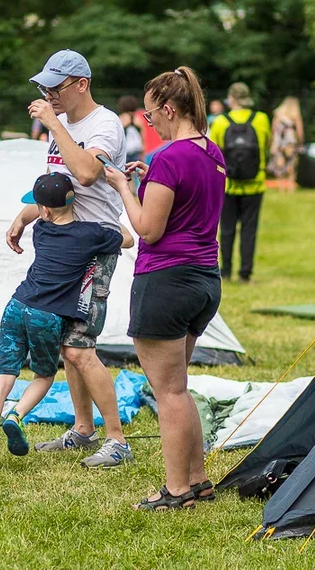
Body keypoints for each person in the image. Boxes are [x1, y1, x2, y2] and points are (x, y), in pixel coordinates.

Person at [104, 66, 224, 511]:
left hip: (166, 281)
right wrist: (143, 182)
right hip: (204, 280)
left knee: (168, 392)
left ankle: (176, 492)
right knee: (180, 386)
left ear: (170, 109)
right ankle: (199, 480)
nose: (147, 121)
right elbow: (185, 209)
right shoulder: (212, 152)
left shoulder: (169, 158)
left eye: (152, 113)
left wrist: (121, 186)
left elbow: (148, 230)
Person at [13, 48, 134, 468]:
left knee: (81, 347)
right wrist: (27, 214)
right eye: (44, 87)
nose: (49, 94)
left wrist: (51, 123)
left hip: (93, 249)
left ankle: (117, 440)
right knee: (68, 347)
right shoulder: (59, 124)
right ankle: (83, 430)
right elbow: (59, 187)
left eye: (55, 87)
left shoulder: (104, 125)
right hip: (62, 245)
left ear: (82, 84)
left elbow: (85, 173)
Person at [0, 173, 131, 474]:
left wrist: (24, 218)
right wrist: (107, 220)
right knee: (43, 376)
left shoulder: (41, 230)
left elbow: (43, 214)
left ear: (43, 210)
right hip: (47, 316)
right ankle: (16, 415)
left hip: (16, 306)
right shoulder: (91, 235)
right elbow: (129, 238)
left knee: (2, 379)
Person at [208, 82, 270, 283]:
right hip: (255, 183)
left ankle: (225, 271)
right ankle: (245, 273)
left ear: (231, 99)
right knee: (249, 229)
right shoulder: (261, 119)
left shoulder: (220, 122)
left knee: (226, 229)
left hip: (228, 184)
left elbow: (215, 151)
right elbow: (266, 145)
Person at [268, 97, 304, 193]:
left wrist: (272, 143)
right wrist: (301, 143)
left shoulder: (278, 115)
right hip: (291, 143)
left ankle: (281, 188)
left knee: (280, 164)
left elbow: (273, 130)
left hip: (279, 143)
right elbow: (300, 131)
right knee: (291, 164)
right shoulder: (295, 115)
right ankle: (290, 187)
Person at [118, 96, 145, 165]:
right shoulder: (138, 119)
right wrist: (143, 152)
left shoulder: (121, 119)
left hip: (124, 150)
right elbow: (143, 136)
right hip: (136, 150)